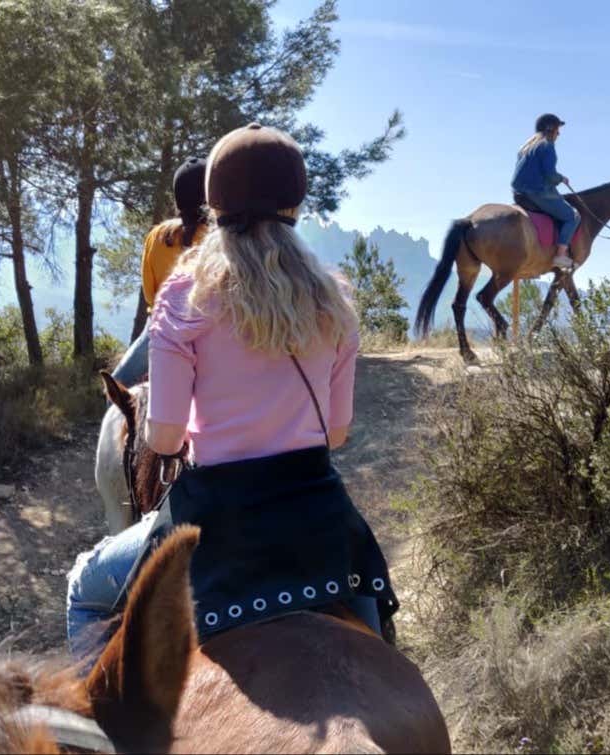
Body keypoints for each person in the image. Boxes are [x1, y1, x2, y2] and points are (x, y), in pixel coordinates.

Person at [67, 123, 397, 662]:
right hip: (317, 509)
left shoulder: (183, 294)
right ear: (295, 202)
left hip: (218, 520)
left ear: (213, 204)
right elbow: (336, 434)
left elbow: (168, 440)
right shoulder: (335, 298)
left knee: (85, 587)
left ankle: (95, 738)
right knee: (377, 638)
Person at [109, 157, 209, 387]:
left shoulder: (159, 235)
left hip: (161, 330)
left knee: (118, 387)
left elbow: (150, 294)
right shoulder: (222, 240)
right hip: (208, 335)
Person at [511, 113, 580, 271]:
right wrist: (561, 178)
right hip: (536, 192)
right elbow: (549, 175)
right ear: (550, 129)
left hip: (518, 192)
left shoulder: (526, 147)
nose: (559, 133)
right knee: (573, 216)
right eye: (557, 129)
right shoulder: (547, 146)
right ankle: (560, 255)